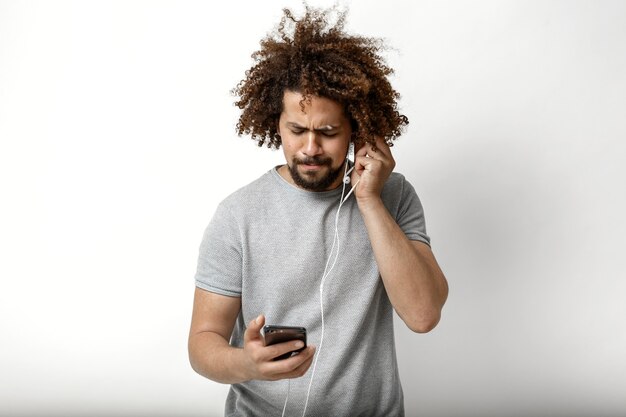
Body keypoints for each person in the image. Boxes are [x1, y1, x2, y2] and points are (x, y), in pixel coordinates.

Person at [188, 5, 448, 416]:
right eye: (297, 130)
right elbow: (203, 343)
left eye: (327, 132)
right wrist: (247, 363)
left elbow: (423, 314)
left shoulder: (393, 196)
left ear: (357, 130)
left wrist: (369, 200)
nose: (310, 148)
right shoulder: (238, 215)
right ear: (277, 124)